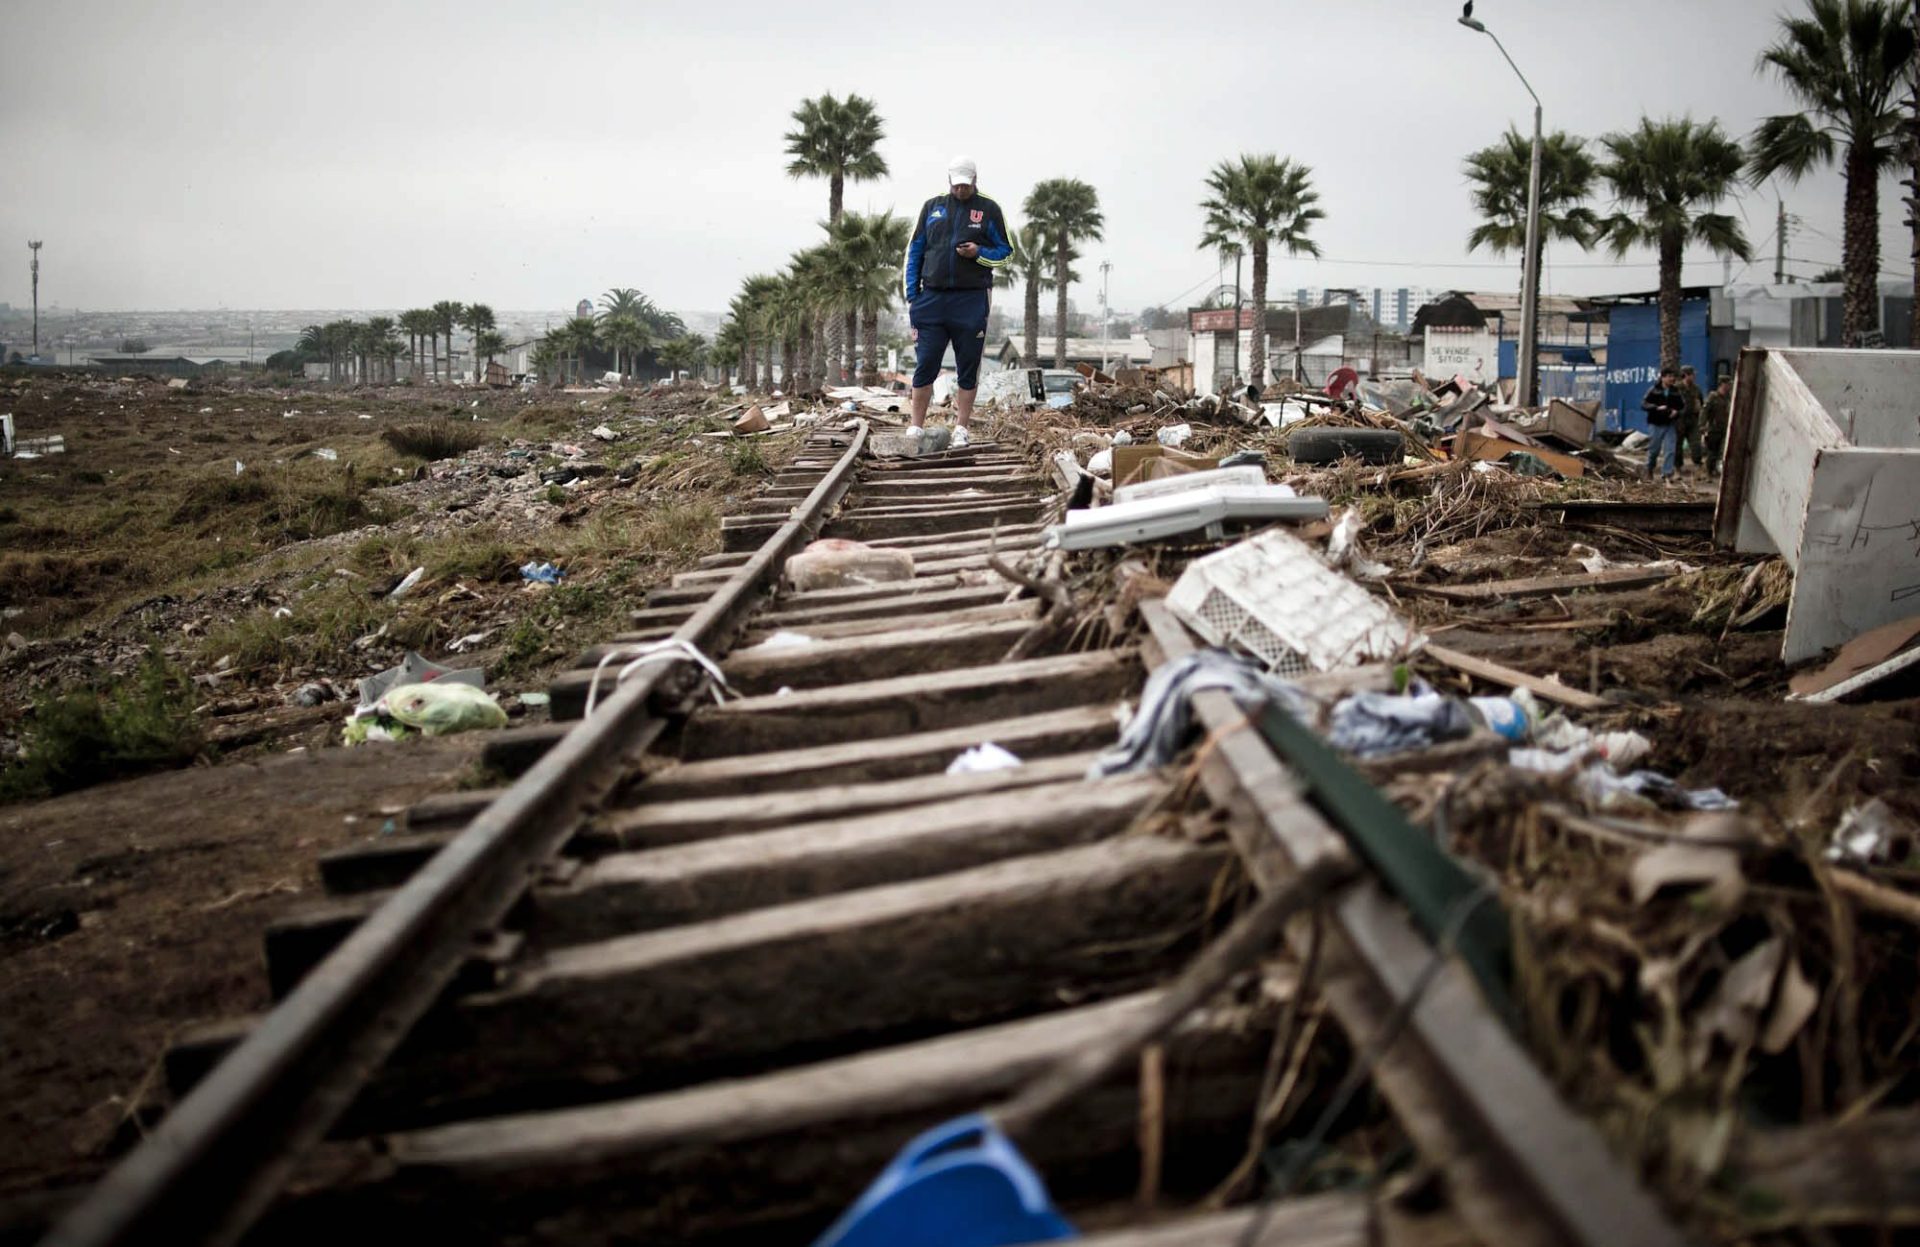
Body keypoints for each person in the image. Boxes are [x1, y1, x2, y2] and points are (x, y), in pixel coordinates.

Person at [900, 156, 1012, 450]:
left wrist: (979, 253)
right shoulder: (932, 207)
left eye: (966, 184)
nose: (961, 190)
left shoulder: (989, 209)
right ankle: (916, 426)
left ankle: (961, 428)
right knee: (926, 363)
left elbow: (1006, 252)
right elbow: (915, 251)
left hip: (971, 299)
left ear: (975, 180)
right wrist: (912, 295)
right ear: (949, 180)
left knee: (968, 365)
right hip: (931, 298)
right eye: (956, 184)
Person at [1641, 366, 1685, 481]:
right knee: (1654, 450)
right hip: (1655, 424)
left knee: (1670, 449)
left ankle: (1667, 474)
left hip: (1670, 424)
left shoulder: (1675, 391)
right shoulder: (1653, 390)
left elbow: (1682, 407)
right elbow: (1644, 404)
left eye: (1673, 376)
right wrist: (1656, 408)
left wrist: (1676, 412)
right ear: (1662, 378)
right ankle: (1649, 469)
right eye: (1669, 376)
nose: (1672, 379)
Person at [1674, 364, 1705, 473]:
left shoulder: (1696, 389)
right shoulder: (1676, 388)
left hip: (1693, 420)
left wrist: (1699, 409)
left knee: (1696, 443)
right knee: (1678, 444)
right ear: (1685, 375)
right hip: (1679, 421)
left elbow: (1701, 403)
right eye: (1691, 375)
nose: (1693, 377)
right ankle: (1678, 467)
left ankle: (1698, 464)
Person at [1702, 375, 1732, 475]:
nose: (1728, 386)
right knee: (1712, 452)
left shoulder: (1729, 397)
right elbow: (1705, 411)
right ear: (1721, 384)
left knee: (1723, 450)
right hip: (1714, 428)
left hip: (1725, 428)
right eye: (1727, 384)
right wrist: (1702, 425)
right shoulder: (1713, 397)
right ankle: (1709, 471)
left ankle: (1719, 469)